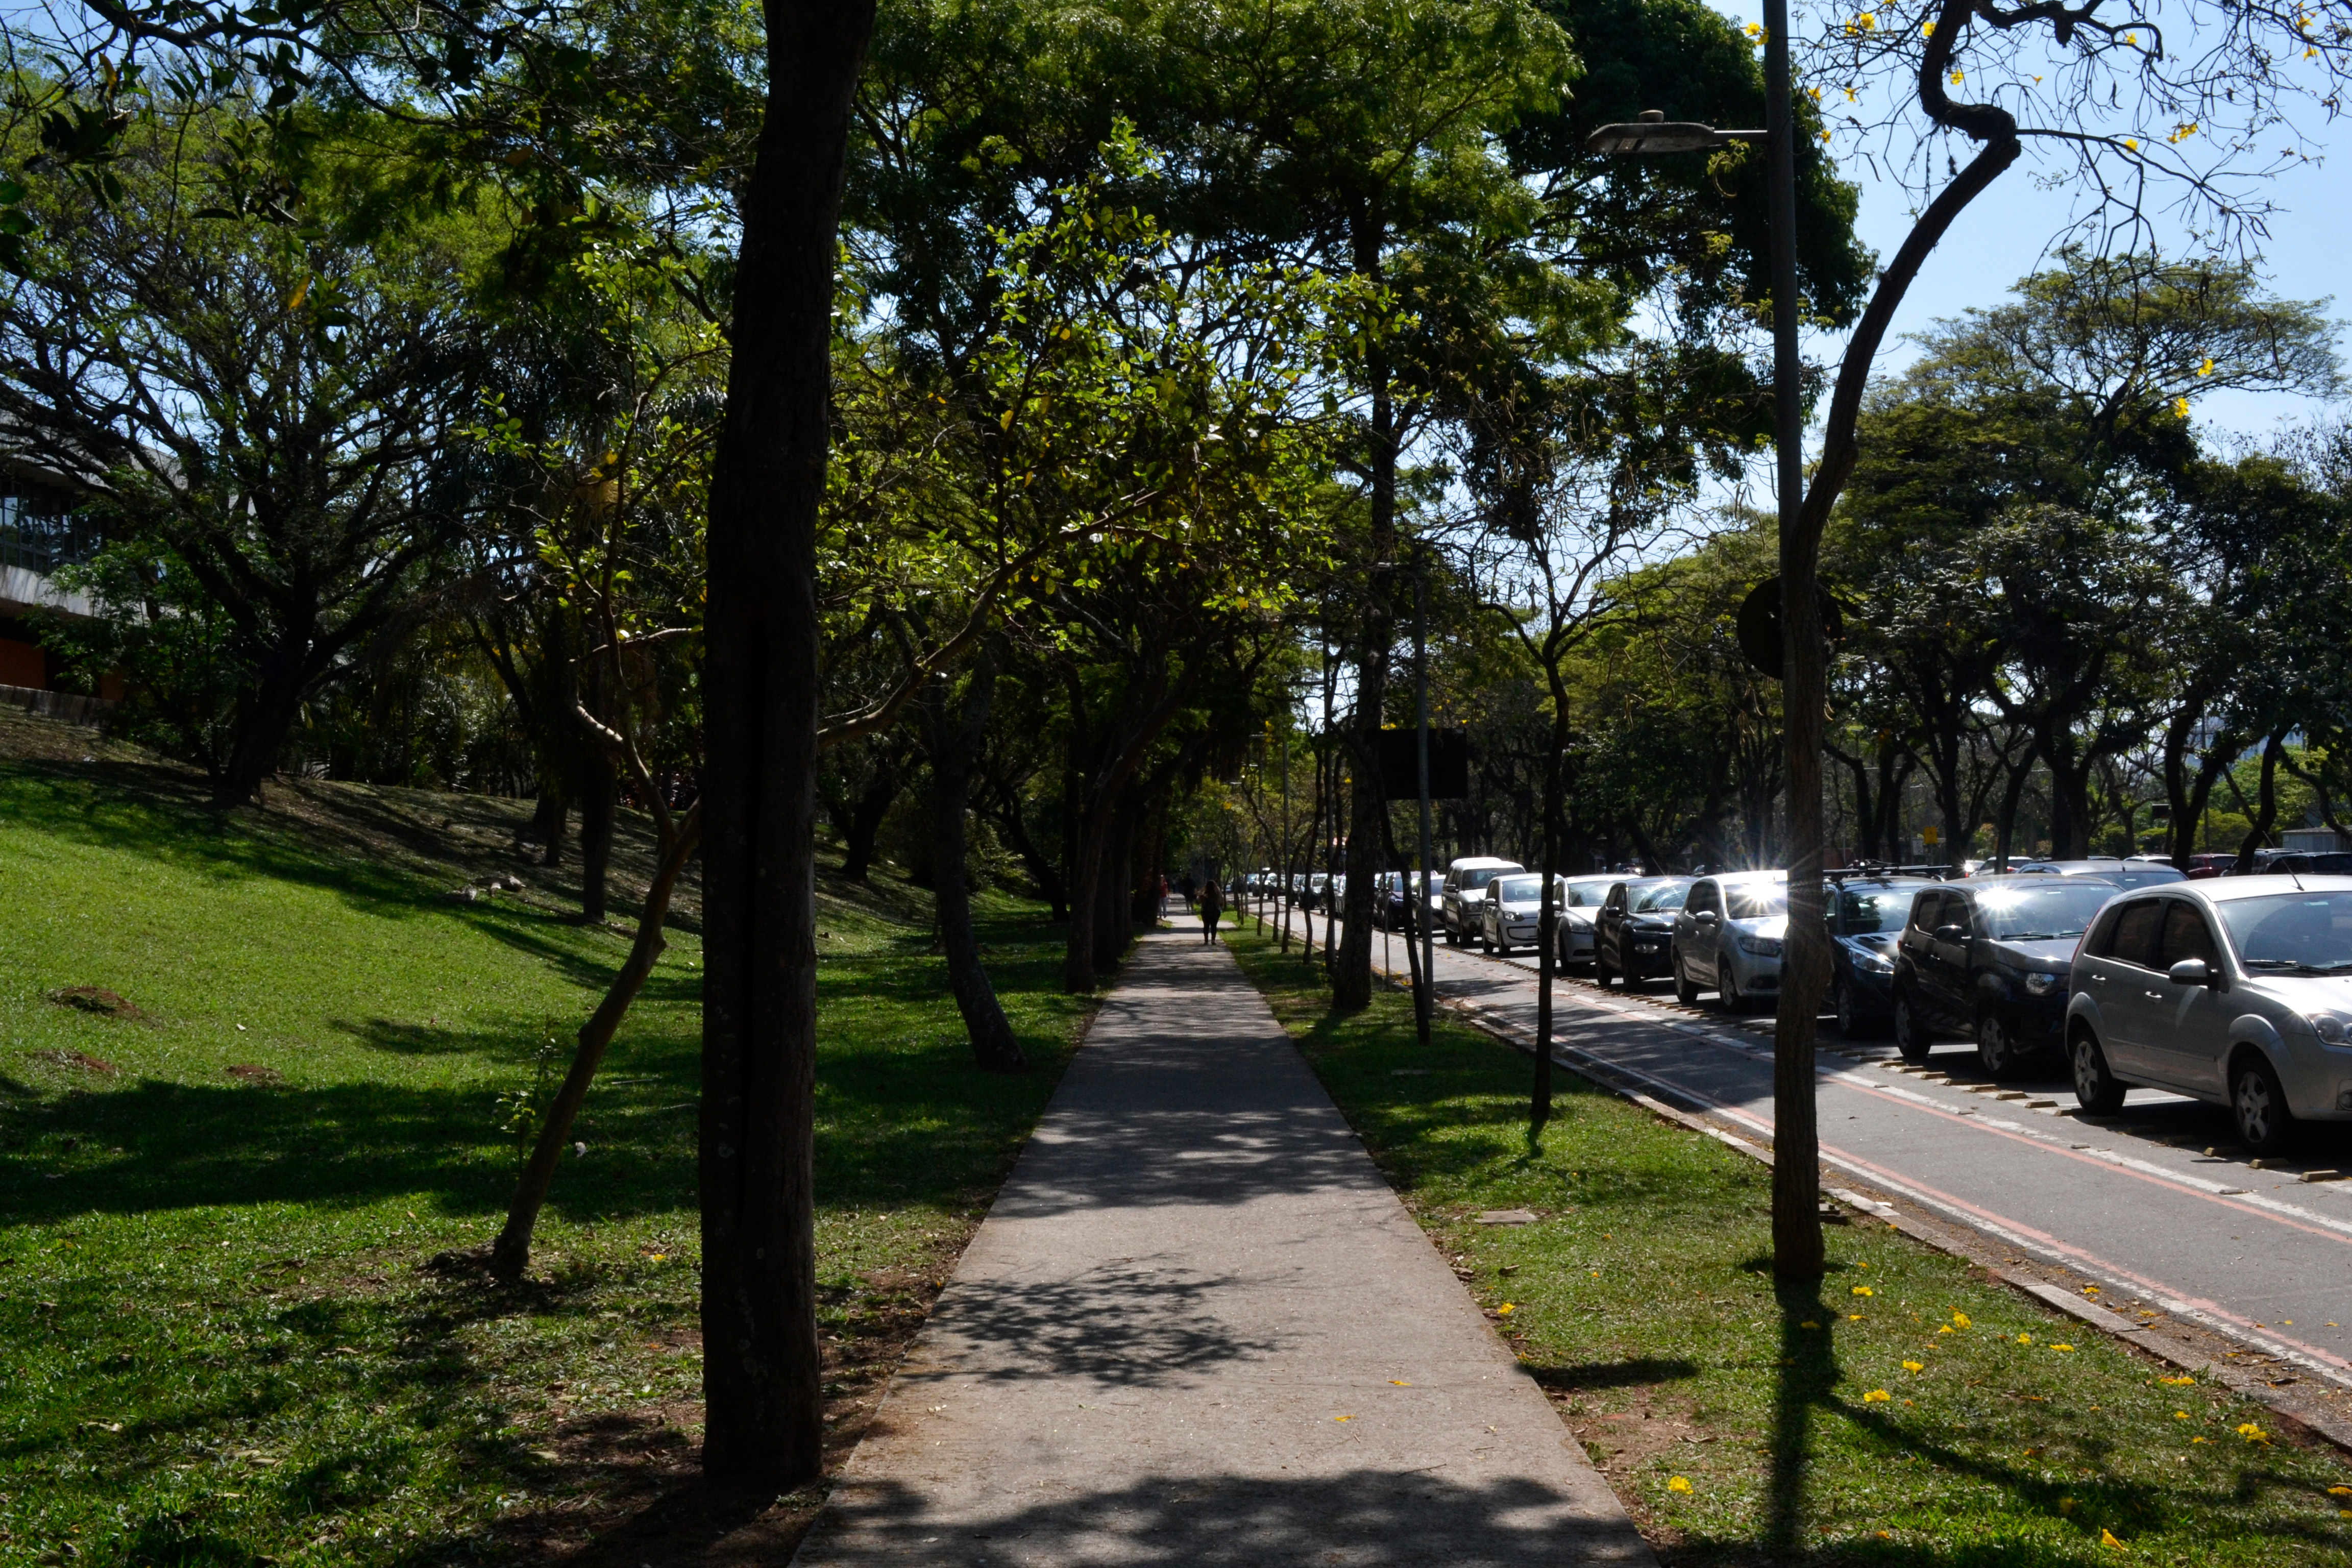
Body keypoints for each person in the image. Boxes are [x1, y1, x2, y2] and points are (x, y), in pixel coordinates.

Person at [1201, 878, 1225, 945]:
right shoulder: (1217, 893)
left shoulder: (1204, 893)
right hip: (1215, 912)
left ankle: (1206, 941)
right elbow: (1221, 901)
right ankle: (1213, 940)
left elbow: (1198, 901)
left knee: (1206, 926)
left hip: (1205, 912)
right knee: (1214, 926)